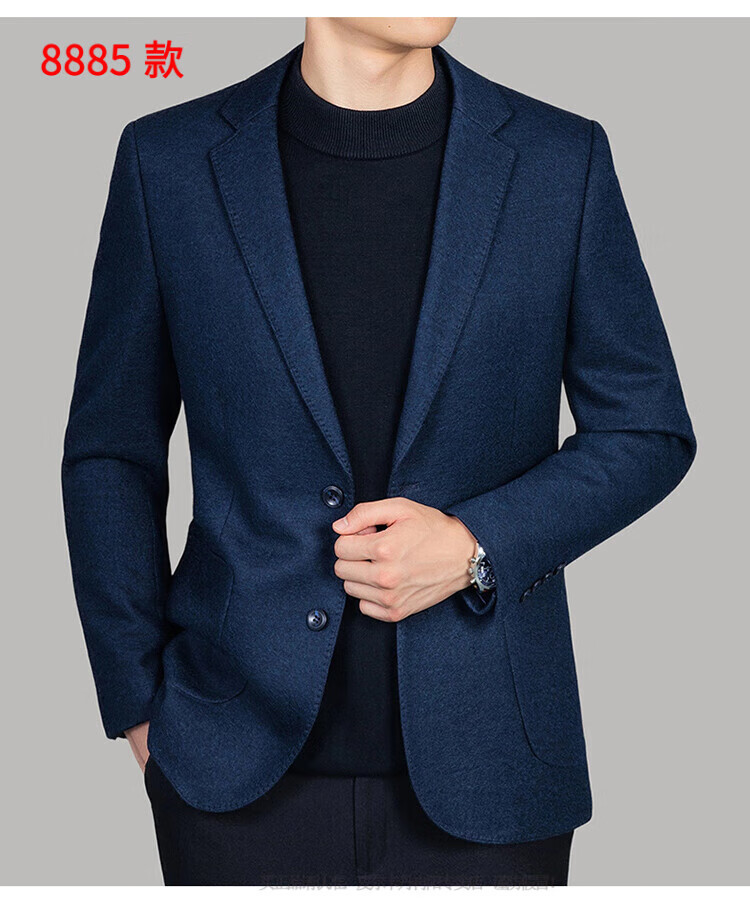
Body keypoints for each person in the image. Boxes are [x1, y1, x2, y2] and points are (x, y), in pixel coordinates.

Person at [62, 17, 696, 885]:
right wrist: (139, 704)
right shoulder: (168, 161)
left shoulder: (560, 160)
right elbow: (110, 450)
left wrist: (474, 546)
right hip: (232, 770)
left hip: (492, 772)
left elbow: (647, 427)